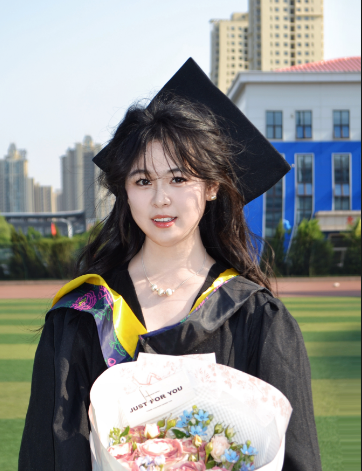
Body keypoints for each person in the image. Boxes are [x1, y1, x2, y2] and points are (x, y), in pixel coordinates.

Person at [18, 58, 322, 471]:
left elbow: (297, 458)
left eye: (179, 179)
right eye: (143, 181)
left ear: (211, 186)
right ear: (125, 191)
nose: (160, 199)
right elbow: (48, 453)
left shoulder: (256, 317)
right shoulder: (84, 316)